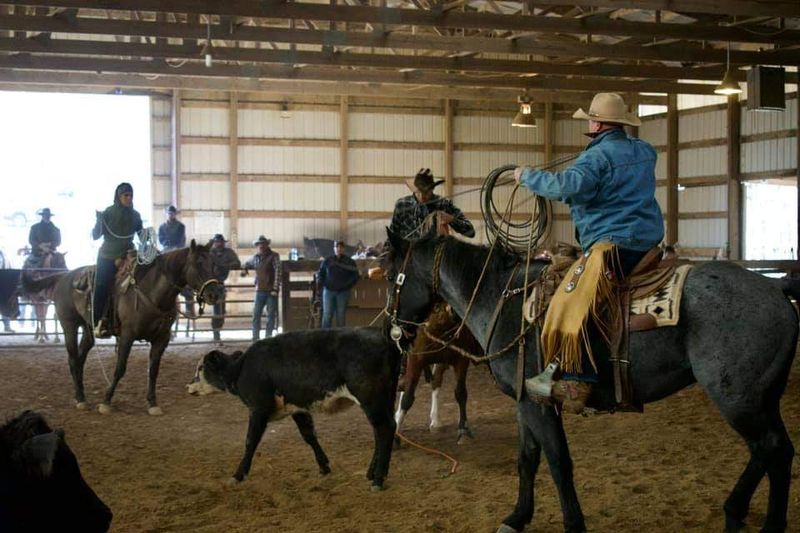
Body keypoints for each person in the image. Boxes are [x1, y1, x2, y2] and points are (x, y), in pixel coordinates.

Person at [515, 92, 664, 413]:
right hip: (646, 244)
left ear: (595, 124)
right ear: (622, 122)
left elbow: (565, 187)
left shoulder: (596, 158)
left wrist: (527, 176)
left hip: (612, 245)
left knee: (571, 300)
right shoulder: (644, 151)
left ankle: (577, 381)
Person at [91, 182, 143, 338]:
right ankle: (97, 321)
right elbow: (95, 236)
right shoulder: (107, 213)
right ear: (118, 197)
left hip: (129, 255)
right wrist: (99, 222)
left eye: (131, 195)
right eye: (126, 195)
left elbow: (142, 236)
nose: (129, 198)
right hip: (108, 255)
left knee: (144, 279)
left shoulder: (136, 215)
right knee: (101, 285)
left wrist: (149, 238)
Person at [389, 168, 475, 241]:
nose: (422, 196)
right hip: (409, 253)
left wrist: (451, 219)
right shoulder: (402, 205)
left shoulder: (442, 204)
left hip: (433, 254)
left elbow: (470, 232)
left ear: (432, 189)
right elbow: (392, 237)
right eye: (418, 192)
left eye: (426, 192)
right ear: (414, 189)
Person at [243, 235, 281, 340]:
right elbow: (247, 263)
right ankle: (256, 338)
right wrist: (245, 268)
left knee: (270, 315)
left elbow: (278, 271)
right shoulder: (256, 257)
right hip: (260, 290)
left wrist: (275, 288)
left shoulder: (274, 256)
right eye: (259, 244)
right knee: (256, 315)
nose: (261, 246)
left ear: (267, 245)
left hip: (270, 291)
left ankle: (267, 338)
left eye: (263, 244)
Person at [317, 241, 360, 328]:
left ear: (344, 249)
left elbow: (355, 276)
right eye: (337, 247)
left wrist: (347, 286)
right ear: (334, 249)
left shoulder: (349, 262)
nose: (339, 249)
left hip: (343, 292)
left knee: (341, 316)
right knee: (327, 315)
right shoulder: (327, 261)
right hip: (329, 291)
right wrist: (326, 285)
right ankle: (324, 335)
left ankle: (341, 335)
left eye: (341, 247)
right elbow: (320, 274)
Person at [208, 233, 241, 342]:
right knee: (218, 310)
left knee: (220, 311)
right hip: (209, 283)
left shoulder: (228, 252)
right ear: (214, 243)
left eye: (221, 242)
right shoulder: (209, 253)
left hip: (220, 283)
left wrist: (224, 266)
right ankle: (216, 335)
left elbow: (237, 263)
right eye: (217, 242)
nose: (219, 244)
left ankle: (217, 332)